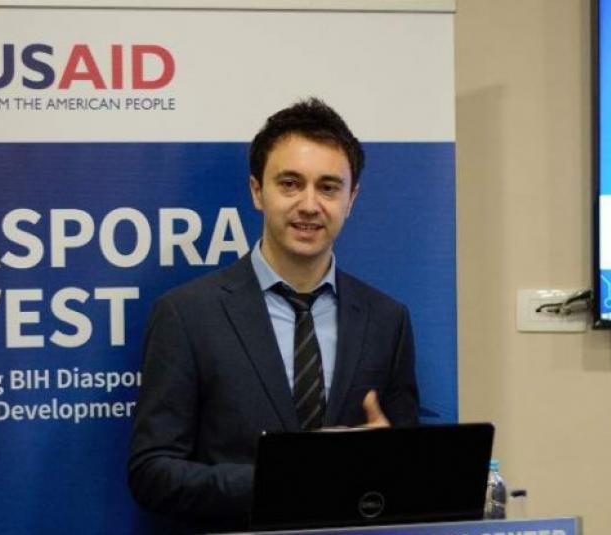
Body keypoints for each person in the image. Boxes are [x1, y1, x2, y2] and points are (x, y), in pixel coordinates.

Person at [127, 98, 419, 533]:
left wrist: (390, 458)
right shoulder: (187, 315)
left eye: (328, 187)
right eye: (290, 184)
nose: (309, 204)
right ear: (256, 191)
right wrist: (288, 475)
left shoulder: (387, 319)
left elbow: (409, 468)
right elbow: (152, 473)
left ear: (351, 198)